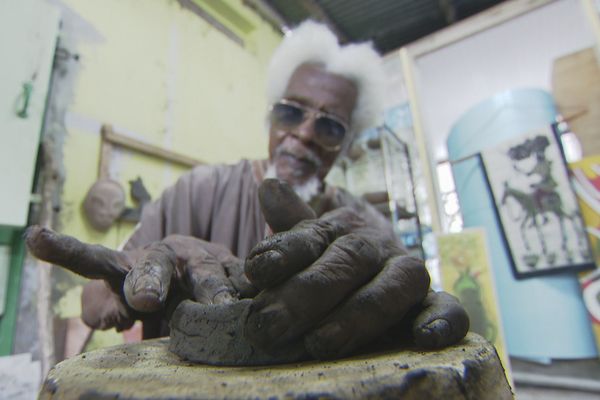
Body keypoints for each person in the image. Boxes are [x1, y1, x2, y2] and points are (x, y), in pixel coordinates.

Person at [26, 20, 468, 360]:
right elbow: (92, 304)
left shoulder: (368, 227)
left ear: (347, 145)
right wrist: (156, 264)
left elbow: (409, 302)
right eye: (292, 113)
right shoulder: (199, 190)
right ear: (271, 118)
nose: (306, 133)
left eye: (330, 125)